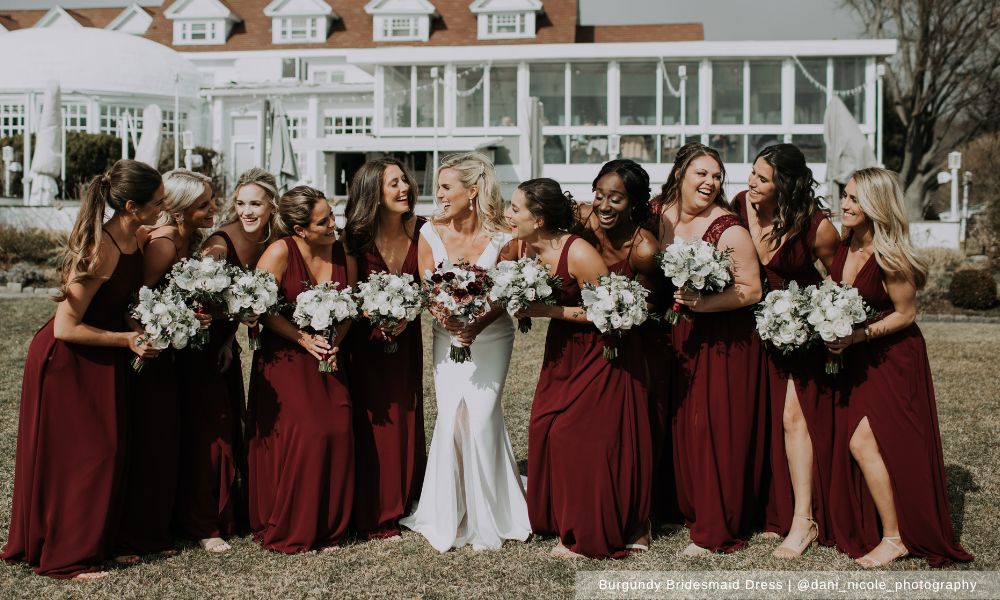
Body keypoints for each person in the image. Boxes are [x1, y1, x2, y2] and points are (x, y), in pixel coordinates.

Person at [3, 160, 164, 579]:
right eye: (158, 203)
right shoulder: (102, 248)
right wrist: (127, 341)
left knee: (111, 450)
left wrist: (137, 326)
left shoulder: (136, 238)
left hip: (100, 356)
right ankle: (65, 557)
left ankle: (99, 543)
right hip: (68, 360)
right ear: (132, 206)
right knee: (85, 457)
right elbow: (64, 327)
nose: (163, 209)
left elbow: (117, 302)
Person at [826, 168, 973, 568]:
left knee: (869, 442)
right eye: (845, 196)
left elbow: (906, 315)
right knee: (861, 442)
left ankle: (896, 538)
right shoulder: (845, 243)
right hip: (858, 358)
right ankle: (877, 527)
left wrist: (858, 336)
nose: (845, 204)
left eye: (854, 199)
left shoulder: (890, 255)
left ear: (876, 204)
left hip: (894, 358)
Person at [514, 178, 651, 559]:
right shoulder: (525, 246)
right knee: (545, 425)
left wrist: (546, 310)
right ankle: (556, 516)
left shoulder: (578, 254)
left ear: (538, 218)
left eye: (515, 209)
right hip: (563, 349)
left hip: (600, 349)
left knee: (573, 434)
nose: (509, 215)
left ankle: (590, 527)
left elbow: (607, 310)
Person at [400, 152, 530, 552]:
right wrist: (451, 321)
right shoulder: (429, 232)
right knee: (452, 418)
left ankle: (493, 513)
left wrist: (476, 324)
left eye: (445, 187)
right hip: (446, 336)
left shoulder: (507, 238)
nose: (437, 194)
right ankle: (449, 510)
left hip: (491, 337)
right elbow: (426, 287)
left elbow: (506, 292)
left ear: (472, 191)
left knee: (482, 417)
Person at [656, 142, 766, 556]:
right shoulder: (656, 214)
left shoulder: (729, 228)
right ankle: (677, 504)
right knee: (675, 422)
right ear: (681, 173)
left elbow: (751, 289)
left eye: (717, 176)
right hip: (670, 335)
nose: (710, 182)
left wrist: (703, 304)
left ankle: (715, 522)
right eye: (701, 173)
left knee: (709, 427)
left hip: (720, 339)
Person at [731, 144, 841, 558]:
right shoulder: (740, 205)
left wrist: (825, 322)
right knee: (760, 418)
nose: (751, 182)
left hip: (797, 334)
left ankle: (804, 519)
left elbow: (840, 282)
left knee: (794, 418)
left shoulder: (818, 226)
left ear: (786, 184)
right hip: (747, 329)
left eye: (762, 177)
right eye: (753, 173)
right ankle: (770, 512)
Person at [174, 168, 280, 553]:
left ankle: (229, 511)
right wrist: (227, 324)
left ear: (272, 206)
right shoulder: (218, 246)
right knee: (210, 431)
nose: (247, 211)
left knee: (231, 424)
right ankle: (206, 524)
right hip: (197, 345)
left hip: (223, 346)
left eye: (255, 203)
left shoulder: (275, 239)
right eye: (240, 203)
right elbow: (194, 301)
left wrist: (230, 335)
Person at [246, 186, 357, 553]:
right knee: (309, 431)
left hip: (328, 353)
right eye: (323, 221)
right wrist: (302, 339)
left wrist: (334, 340)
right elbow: (263, 309)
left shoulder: (344, 253)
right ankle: (293, 520)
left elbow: (350, 307)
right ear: (299, 230)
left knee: (339, 427)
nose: (333, 225)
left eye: (332, 216)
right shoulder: (279, 252)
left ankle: (329, 525)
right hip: (286, 355)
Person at [115, 168, 217, 562]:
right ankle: (137, 534)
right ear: (178, 209)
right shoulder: (165, 242)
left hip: (178, 353)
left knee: (172, 440)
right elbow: (133, 301)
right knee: (152, 443)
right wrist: (162, 330)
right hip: (153, 355)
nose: (212, 209)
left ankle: (169, 521)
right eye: (203, 204)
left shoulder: (192, 239)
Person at [578, 159, 671, 538]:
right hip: (589, 342)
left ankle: (639, 517)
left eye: (614, 198)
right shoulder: (583, 224)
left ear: (634, 203)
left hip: (639, 346)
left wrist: (618, 312)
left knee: (636, 431)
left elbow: (653, 306)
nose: (603, 206)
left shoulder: (644, 250)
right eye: (598, 195)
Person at [343, 158, 426, 540]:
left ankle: (405, 497)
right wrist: (373, 314)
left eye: (404, 181)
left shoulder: (423, 231)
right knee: (371, 417)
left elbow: (431, 284)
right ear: (373, 192)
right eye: (393, 184)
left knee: (406, 411)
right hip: (365, 343)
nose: (404, 188)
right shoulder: (355, 238)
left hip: (406, 339)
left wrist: (408, 314)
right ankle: (371, 503)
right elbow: (347, 293)